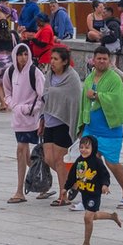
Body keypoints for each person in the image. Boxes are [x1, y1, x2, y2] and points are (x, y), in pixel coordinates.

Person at [79, 46, 123, 208]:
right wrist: (82, 126)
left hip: (110, 130)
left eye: (105, 59)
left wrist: (97, 96)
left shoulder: (114, 79)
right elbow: (84, 102)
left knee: (112, 163)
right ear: (93, 60)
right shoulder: (89, 78)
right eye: (99, 58)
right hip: (91, 129)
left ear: (109, 61)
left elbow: (116, 100)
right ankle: (88, 197)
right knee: (89, 163)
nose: (102, 61)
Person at [1, 42, 45, 203]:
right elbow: (6, 91)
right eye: (20, 54)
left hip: (32, 118)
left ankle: (42, 182)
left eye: (26, 54)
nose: (23, 58)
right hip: (18, 119)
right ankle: (21, 189)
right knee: (22, 151)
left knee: (33, 154)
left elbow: (43, 95)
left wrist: (30, 109)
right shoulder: (10, 71)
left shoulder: (35, 73)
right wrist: (13, 105)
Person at [40, 46, 82, 206]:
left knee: (59, 160)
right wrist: (42, 119)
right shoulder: (49, 75)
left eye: (55, 59)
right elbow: (45, 97)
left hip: (63, 122)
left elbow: (74, 100)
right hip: (49, 121)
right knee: (49, 159)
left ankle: (62, 195)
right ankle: (74, 182)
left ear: (64, 61)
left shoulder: (72, 78)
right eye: (51, 59)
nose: (52, 62)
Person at [69, 136, 123, 245]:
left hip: (94, 193)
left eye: (87, 147)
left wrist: (105, 185)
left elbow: (105, 175)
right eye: (81, 147)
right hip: (85, 193)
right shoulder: (80, 161)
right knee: (94, 216)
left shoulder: (97, 162)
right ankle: (112, 216)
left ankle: (86, 243)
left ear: (93, 149)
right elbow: (73, 175)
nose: (83, 149)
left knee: (87, 217)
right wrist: (69, 187)